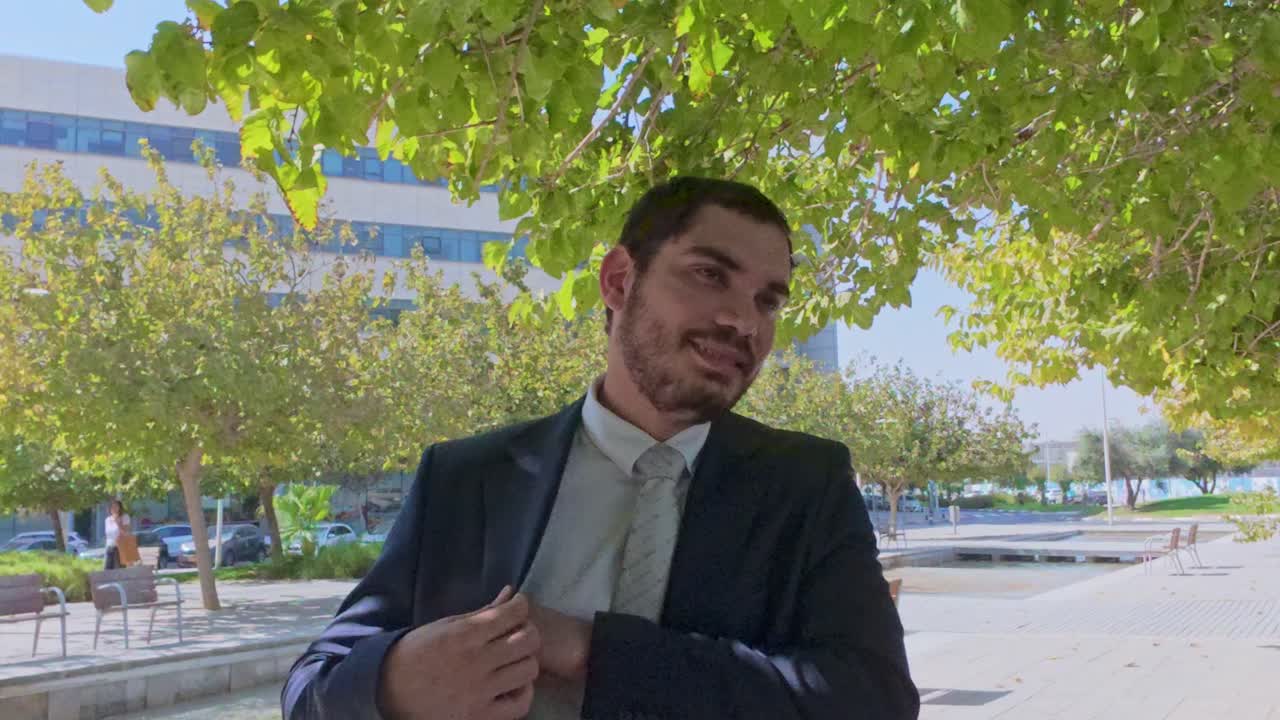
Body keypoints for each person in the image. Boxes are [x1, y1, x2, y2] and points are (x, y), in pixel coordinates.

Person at [282, 177, 919, 720]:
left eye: (767, 300)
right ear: (618, 280)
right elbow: (311, 684)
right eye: (709, 275)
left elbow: (876, 699)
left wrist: (594, 651)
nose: (742, 321)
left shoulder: (807, 484)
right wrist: (393, 681)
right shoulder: (466, 477)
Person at [103, 499, 131, 570]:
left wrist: (118, 522)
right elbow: (107, 535)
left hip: (120, 547)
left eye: (116, 506)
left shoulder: (125, 517)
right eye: (112, 507)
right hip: (109, 546)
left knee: (120, 570)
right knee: (107, 569)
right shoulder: (107, 520)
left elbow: (125, 532)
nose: (114, 509)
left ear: (120, 508)